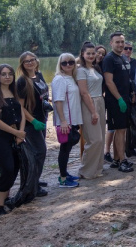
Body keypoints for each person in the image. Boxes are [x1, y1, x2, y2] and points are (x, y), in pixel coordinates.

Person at [0, 64, 26, 217]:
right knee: (7, 168)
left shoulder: (14, 91)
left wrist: (20, 133)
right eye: (3, 74)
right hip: (0, 136)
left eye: (10, 74)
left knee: (15, 167)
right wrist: (15, 132)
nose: (7, 77)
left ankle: (7, 198)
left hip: (16, 135)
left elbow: (22, 112)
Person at [16, 51, 49, 195]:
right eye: (26, 61)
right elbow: (20, 107)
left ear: (36, 61)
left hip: (42, 119)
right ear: (22, 64)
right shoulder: (22, 81)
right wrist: (33, 121)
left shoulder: (39, 75)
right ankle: (32, 186)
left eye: (32, 60)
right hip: (31, 123)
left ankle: (35, 178)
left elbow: (42, 95)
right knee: (40, 152)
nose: (30, 62)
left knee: (38, 152)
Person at [102, 32, 135, 172]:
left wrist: (131, 93)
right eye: (117, 42)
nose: (121, 45)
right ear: (111, 43)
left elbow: (126, 78)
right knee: (120, 130)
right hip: (115, 101)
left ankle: (116, 159)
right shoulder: (109, 59)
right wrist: (119, 99)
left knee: (121, 130)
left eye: (122, 42)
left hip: (125, 99)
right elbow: (109, 82)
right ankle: (123, 161)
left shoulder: (123, 58)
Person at [52, 53, 83, 187]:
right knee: (64, 149)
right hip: (65, 121)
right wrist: (63, 121)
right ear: (60, 65)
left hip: (72, 119)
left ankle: (65, 173)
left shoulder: (71, 77)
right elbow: (58, 101)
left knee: (68, 147)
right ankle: (63, 179)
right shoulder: (60, 79)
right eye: (64, 63)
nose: (68, 65)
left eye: (71, 62)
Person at [76, 42, 106, 179]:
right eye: (88, 53)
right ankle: (85, 170)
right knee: (94, 139)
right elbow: (83, 92)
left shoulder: (95, 68)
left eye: (93, 53)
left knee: (101, 138)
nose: (91, 55)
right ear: (82, 54)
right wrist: (93, 111)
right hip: (89, 103)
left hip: (100, 101)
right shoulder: (81, 70)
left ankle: (97, 169)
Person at [123, 41, 136, 158]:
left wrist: (135, 94)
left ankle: (133, 147)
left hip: (134, 95)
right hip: (122, 95)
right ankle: (123, 149)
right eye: (126, 48)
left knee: (135, 123)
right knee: (124, 126)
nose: (128, 50)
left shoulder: (135, 63)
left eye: (130, 48)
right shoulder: (118, 61)